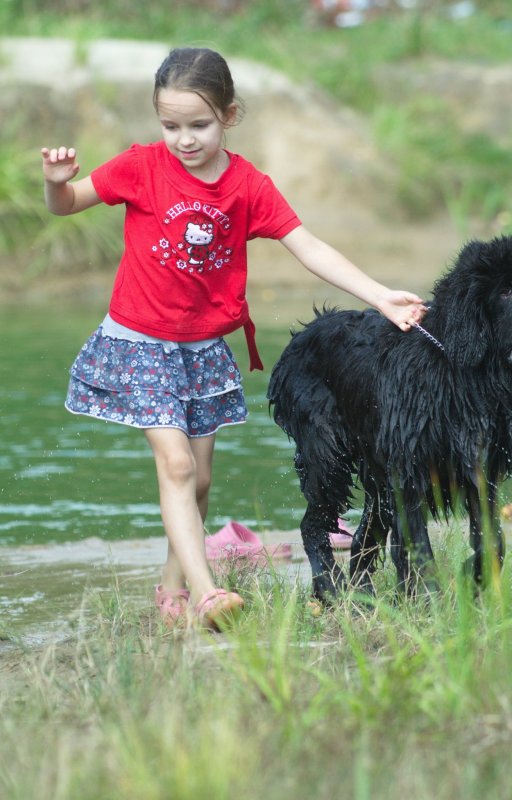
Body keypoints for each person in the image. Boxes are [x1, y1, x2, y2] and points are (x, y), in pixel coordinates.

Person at [40, 46, 426, 631]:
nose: (184, 140)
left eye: (198, 125)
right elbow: (67, 205)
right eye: (170, 126)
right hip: (140, 343)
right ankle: (207, 594)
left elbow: (308, 246)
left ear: (229, 115)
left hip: (201, 350)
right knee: (175, 466)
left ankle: (171, 589)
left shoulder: (247, 185)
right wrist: (55, 184)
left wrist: (380, 296)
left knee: (198, 480)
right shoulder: (141, 166)